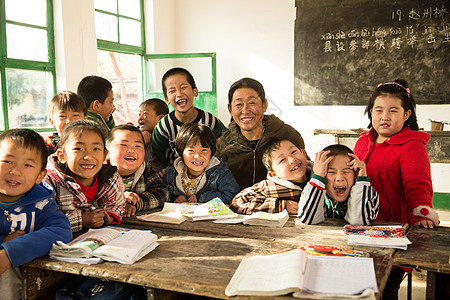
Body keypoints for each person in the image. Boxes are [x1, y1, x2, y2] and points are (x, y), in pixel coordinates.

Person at [353, 80, 440, 300]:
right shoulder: (363, 141)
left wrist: (420, 215)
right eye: (379, 110)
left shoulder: (412, 145)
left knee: (385, 289)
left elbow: (418, 186)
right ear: (371, 112)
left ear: (407, 113)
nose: (384, 116)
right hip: (360, 227)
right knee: (359, 288)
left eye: (393, 110)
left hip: (392, 233)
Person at [0, 129, 72, 300]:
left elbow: (61, 231)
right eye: (7, 161)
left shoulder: (41, 202)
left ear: (40, 175)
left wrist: (10, 252)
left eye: (27, 165)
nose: (15, 171)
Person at [216, 77, 307, 190]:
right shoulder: (222, 144)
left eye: (252, 103)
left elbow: (304, 174)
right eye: (238, 104)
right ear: (230, 109)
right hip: (237, 205)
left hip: (284, 204)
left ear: (265, 105)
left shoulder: (288, 135)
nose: (245, 110)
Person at [44, 120, 126, 233]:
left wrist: (110, 216)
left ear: (105, 155)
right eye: (78, 149)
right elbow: (44, 219)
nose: (88, 156)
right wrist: (81, 219)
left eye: (96, 149)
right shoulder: (49, 183)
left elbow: (119, 203)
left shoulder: (111, 178)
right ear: (62, 156)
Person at [151, 67, 226, 167]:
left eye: (183, 87)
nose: (179, 94)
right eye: (172, 90)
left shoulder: (210, 121)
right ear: (166, 99)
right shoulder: (164, 126)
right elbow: (158, 156)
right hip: (174, 178)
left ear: (195, 91)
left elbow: (224, 148)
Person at [298, 144, 379, 225]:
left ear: (355, 175)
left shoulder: (367, 194)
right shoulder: (311, 193)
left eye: (347, 171)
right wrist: (317, 177)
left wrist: (362, 180)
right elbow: (308, 219)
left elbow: (360, 222)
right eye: (331, 172)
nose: (339, 178)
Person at [230, 137, 311, 215]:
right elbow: (236, 204)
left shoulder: (320, 171)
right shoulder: (269, 187)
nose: (292, 160)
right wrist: (280, 206)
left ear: (303, 153)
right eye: (282, 160)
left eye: (293, 152)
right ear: (273, 174)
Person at [163, 123, 240, 204]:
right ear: (181, 152)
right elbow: (162, 194)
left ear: (212, 151)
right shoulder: (171, 173)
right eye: (191, 151)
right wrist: (174, 198)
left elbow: (232, 195)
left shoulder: (220, 171)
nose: (197, 156)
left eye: (204, 150)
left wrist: (201, 197)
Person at [106, 124, 169, 217]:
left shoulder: (145, 169)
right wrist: (121, 199)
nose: (131, 150)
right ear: (107, 152)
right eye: (123, 145)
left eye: (138, 146)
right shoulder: (99, 172)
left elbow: (162, 193)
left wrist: (137, 202)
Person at [47, 91, 88, 155]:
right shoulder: (46, 148)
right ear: (51, 121)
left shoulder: (91, 145)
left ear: (85, 118)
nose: (69, 121)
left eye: (75, 115)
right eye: (62, 116)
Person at [138, 98, 169, 173]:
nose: (140, 118)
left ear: (161, 118)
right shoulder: (137, 135)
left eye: (145, 114)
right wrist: (141, 141)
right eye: (139, 114)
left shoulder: (167, 137)